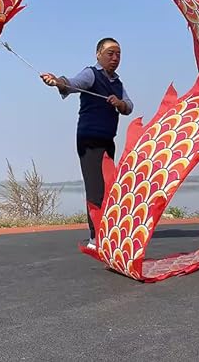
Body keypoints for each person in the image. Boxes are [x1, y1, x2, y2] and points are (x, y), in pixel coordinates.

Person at [40, 37, 133, 250]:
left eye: (118, 54)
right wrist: (57, 82)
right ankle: (95, 238)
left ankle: (107, 233)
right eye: (110, 53)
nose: (115, 58)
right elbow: (72, 84)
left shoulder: (118, 83)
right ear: (98, 54)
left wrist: (119, 104)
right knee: (96, 188)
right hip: (89, 140)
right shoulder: (91, 73)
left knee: (110, 187)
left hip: (108, 141)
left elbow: (129, 105)